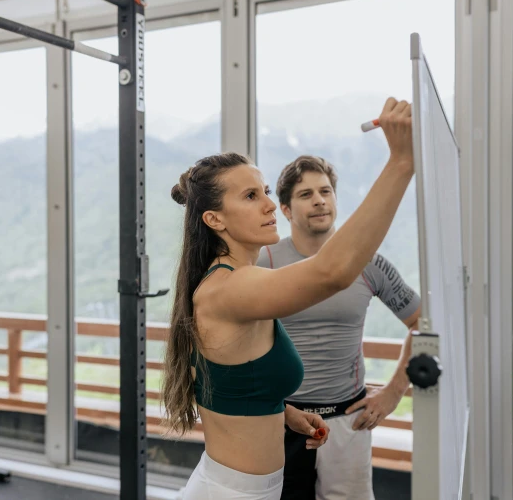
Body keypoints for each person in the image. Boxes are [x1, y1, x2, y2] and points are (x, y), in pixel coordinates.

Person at [161, 98, 415, 500]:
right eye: (249, 196)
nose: (267, 205)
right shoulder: (229, 289)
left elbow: (231, 384)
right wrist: (401, 163)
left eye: (263, 191)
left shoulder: (243, 280)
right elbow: (331, 271)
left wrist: (285, 413)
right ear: (215, 219)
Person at [257, 155, 421, 500]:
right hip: (281, 418)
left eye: (326, 191)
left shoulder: (369, 263)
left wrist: (393, 392)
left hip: (348, 419)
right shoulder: (264, 263)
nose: (319, 200)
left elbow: (422, 324)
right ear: (285, 210)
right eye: (305, 194)